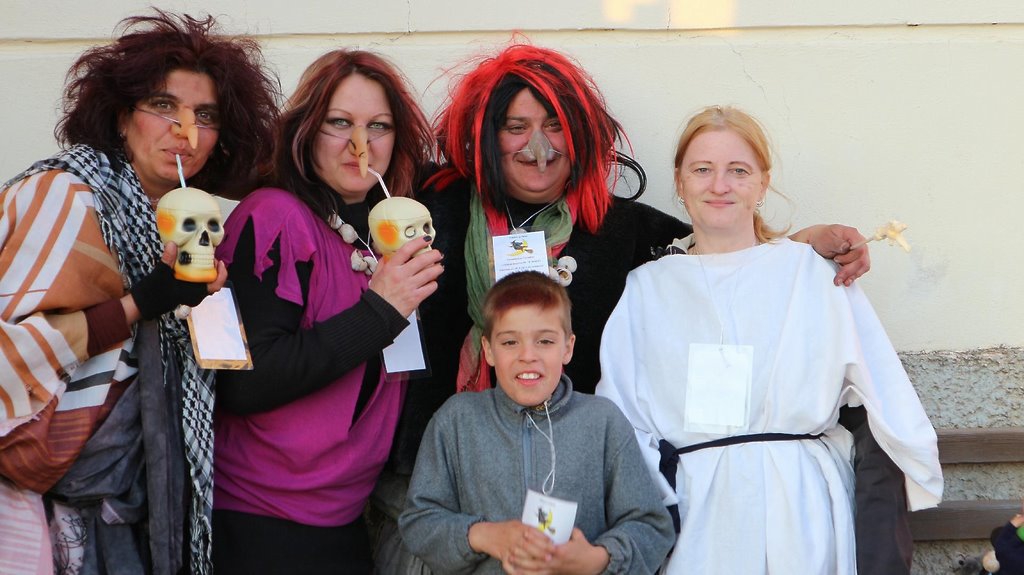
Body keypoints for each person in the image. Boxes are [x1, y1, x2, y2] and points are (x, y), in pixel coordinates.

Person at [373, 42, 871, 568]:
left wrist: (801, 244)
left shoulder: (621, 228)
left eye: (555, 126)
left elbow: (720, 259)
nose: (538, 147)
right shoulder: (435, 213)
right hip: (447, 482)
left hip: (571, 494)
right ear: (487, 137)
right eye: (516, 127)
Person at [595, 105, 944, 574]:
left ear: (762, 183)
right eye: (703, 169)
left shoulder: (811, 272)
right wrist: (657, 507)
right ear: (679, 181)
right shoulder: (647, 288)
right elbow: (621, 415)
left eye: (739, 171)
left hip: (800, 508)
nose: (720, 185)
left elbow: (880, 382)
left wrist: (913, 460)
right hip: (695, 517)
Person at [0, 11, 278, 574]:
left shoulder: (183, 226)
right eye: (163, 106)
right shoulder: (63, 196)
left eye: (205, 116)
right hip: (35, 506)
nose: (185, 131)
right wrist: (141, 304)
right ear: (122, 115)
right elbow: (9, 356)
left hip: (124, 513)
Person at [210, 49, 442, 574]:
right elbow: (243, 381)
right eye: (339, 123)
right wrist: (380, 312)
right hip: (265, 521)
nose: (361, 144)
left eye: (378, 126)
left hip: (344, 517)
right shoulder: (276, 216)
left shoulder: (376, 235)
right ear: (305, 132)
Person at [399, 271, 675, 574]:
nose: (527, 355)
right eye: (510, 342)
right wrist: (483, 536)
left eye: (544, 341)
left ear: (567, 347)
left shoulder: (603, 422)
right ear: (488, 350)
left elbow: (651, 526)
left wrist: (597, 559)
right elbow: (418, 521)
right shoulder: (457, 421)